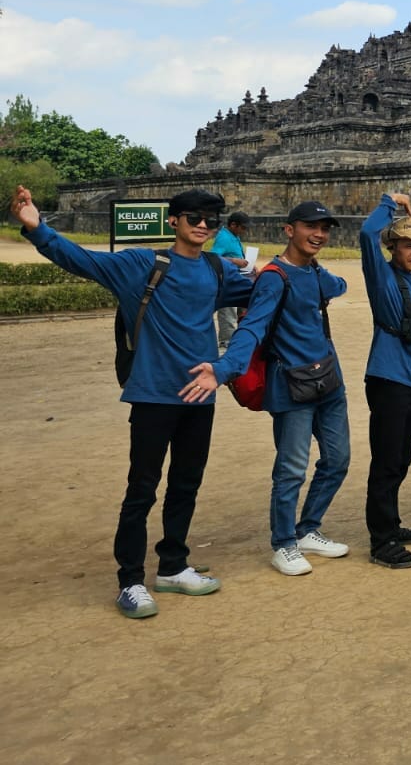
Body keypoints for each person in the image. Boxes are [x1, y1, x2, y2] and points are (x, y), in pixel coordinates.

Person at [10, 185, 253, 620]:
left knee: (186, 483)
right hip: (153, 395)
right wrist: (36, 228)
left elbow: (265, 289)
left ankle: (174, 565)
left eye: (210, 219)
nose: (202, 225)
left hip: (200, 395)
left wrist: (302, 266)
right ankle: (131, 580)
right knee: (141, 489)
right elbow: (83, 261)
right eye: (193, 217)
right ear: (173, 221)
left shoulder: (217, 271)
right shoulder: (144, 263)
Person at [186, 201, 352, 578]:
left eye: (325, 228)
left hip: (328, 380)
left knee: (338, 459)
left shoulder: (312, 271)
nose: (319, 234)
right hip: (291, 385)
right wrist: (226, 366)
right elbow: (253, 328)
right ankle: (283, 543)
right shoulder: (275, 277)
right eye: (311, 226)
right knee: (291, 469)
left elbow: (338, 286)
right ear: (288, 229)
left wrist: (321, 269)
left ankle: (308, 528)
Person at [359, 192, 411, 569]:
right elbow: (365, 235)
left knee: (402, 458)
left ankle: (390, 525)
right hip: (387, 377)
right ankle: (381, 542)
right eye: (409, 245)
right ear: (393, 246)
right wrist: (388, 203)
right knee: (387, 459)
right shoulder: (383, 278)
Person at [211, 211, 251, 352]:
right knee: (228, 312)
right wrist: (234, 261)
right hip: (227, 280)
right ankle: (226, 341)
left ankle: (239, 338)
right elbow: (213, 258)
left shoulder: (234, 236)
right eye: (243, 228)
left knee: (243, 309)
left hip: (239, 277)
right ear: (233, 225)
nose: (245, 231)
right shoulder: (223, 238)